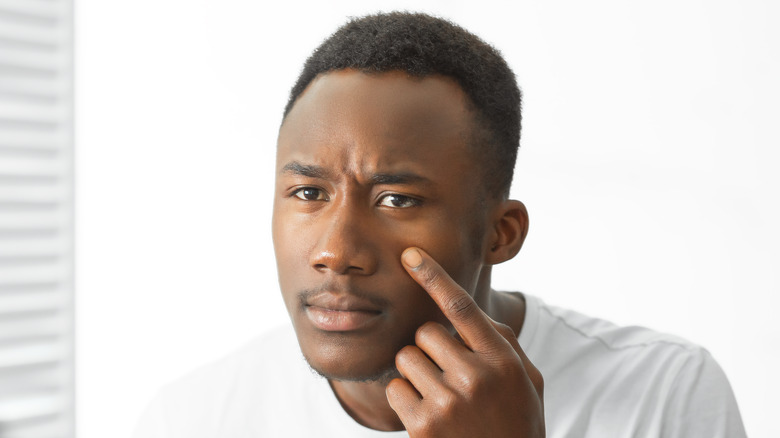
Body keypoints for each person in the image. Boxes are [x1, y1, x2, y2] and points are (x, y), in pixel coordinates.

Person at [133, 12, 746, 437]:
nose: (336, 251)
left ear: (500, 233)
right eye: (309, 191)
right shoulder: (193, 419)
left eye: (397, 200)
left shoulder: (665, 393)